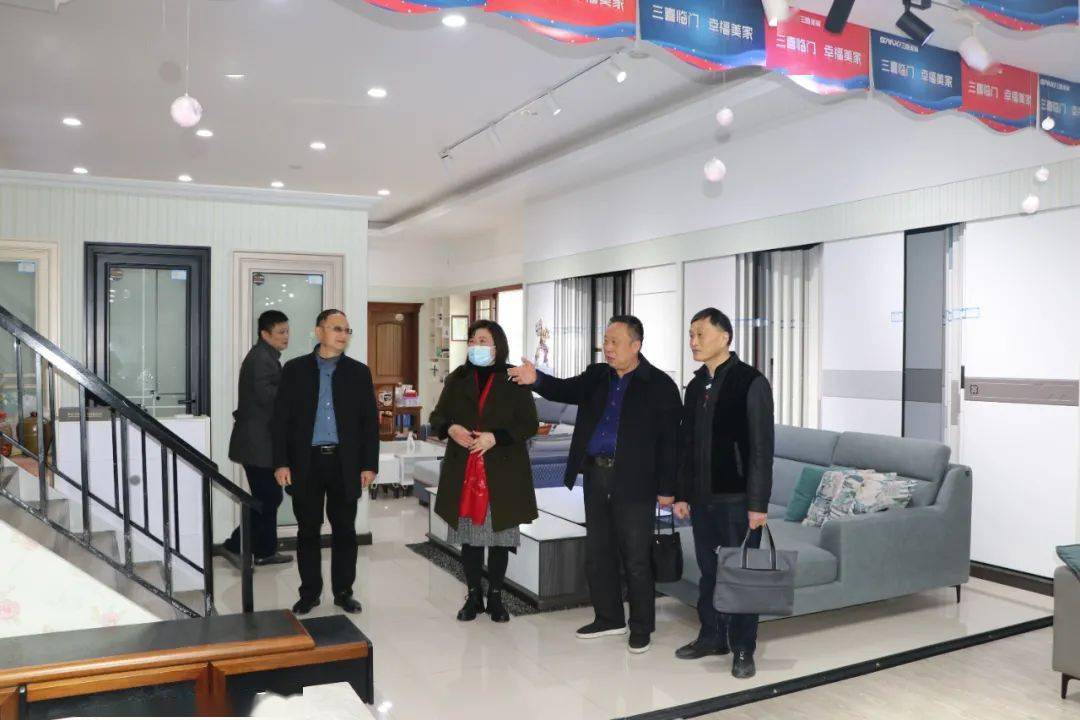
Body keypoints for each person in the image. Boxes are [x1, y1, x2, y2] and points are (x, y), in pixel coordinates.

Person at [509, 315, 681, 654]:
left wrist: (668, 488)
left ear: (636, 345)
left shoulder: (659, 385)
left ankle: (641, 626)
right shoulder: (597, 375)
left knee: (636, 556)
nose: (608, 348)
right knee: (598, 552)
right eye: (605, 341)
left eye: (615, 342)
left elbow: (671, 442)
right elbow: (564, 389)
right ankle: (609, 618)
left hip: (636, 481)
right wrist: (536, 379)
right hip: (596, 474)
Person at [673, 308, 774, 679]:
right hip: (702, 499)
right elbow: (687, 445)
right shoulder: (696, 385)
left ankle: (743, 648)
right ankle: (712, 636)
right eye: (691, 334)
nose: (693, 341)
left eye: (700, 334)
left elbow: (761, 449)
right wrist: (683, 493)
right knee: (710, 573)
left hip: (737, 500)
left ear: (725, 337)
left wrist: (757, 504)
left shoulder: (750, 381)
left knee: (743, 576)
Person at [429, 320, 539, 623]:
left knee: (500, 536)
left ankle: (496, 597)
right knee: (470, 537)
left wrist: (496, 437)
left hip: (502, 470)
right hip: (465, 469)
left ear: (497, 345)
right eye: (472, 340)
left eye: (482, 340)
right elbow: (437, 416)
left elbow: (529, 424)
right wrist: (450, 428)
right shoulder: (458, 377)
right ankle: (474, 594)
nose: (475, 345)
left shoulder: (514, 377)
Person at [272, 309, 379, 615]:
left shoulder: (358, 372)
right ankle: (309, 593)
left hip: (345, 463)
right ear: (319, 332)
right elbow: (280, 421)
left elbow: (369, 423)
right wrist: (281, 462)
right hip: (305, 463)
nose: (343, 334)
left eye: (346, 330)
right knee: (308, 530)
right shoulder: (294, 369)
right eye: (336, 328)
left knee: (345, 529)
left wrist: (369, 464)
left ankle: (344, 592)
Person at [221, 310, 292, 566]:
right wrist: (294, 390)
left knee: (268, 497)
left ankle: (263, 550)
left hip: (260, 442)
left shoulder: (266, 356)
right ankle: (238, 545)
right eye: (281, 332)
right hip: (256, 443)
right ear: (265, 334)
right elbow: (268, 397)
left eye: (287, 331)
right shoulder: (261, 358)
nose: (286, 336)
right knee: (268, 497)